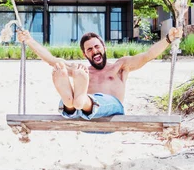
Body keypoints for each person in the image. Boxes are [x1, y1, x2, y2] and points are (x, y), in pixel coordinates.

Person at [16, 27, 183, 120]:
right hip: (84, 118)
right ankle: (72, 102)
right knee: (61, 68)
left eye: (97, 47)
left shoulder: (120, 66)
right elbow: (52, 60)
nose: (94, 51)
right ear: (85, 54)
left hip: (112, 112)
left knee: (86, 96)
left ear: (104, 48)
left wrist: (168, 38)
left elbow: (147, 56)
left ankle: (76, 101)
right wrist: (29, 40)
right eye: (89, 49)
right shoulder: (82, 70)